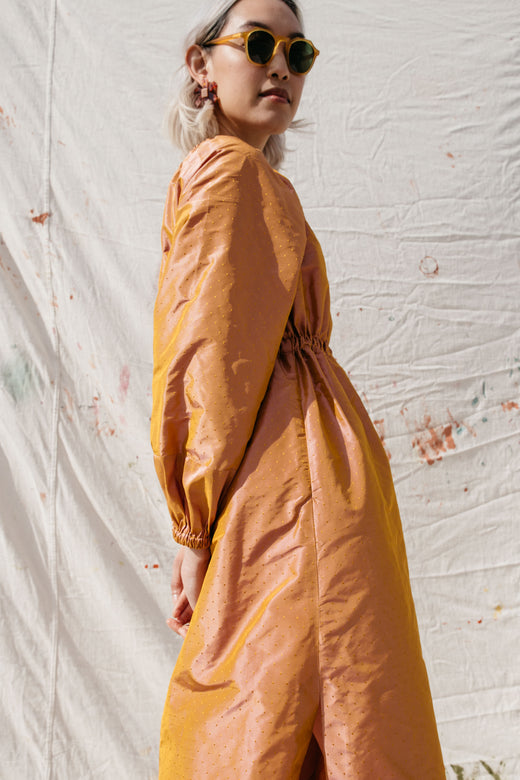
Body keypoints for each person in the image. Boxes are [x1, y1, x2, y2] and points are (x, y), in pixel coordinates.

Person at [151, 0, 446, 777]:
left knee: (262, 723)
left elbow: (210, 354)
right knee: (334, 714)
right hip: (302, 481)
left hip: (293, 484)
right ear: (201, 64)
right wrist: (193, 523)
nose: (280, 64)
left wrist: (193, 524)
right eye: (257, 44)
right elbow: (210, 356)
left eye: (298, 51)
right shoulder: (231, 171)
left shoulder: (238, 175)